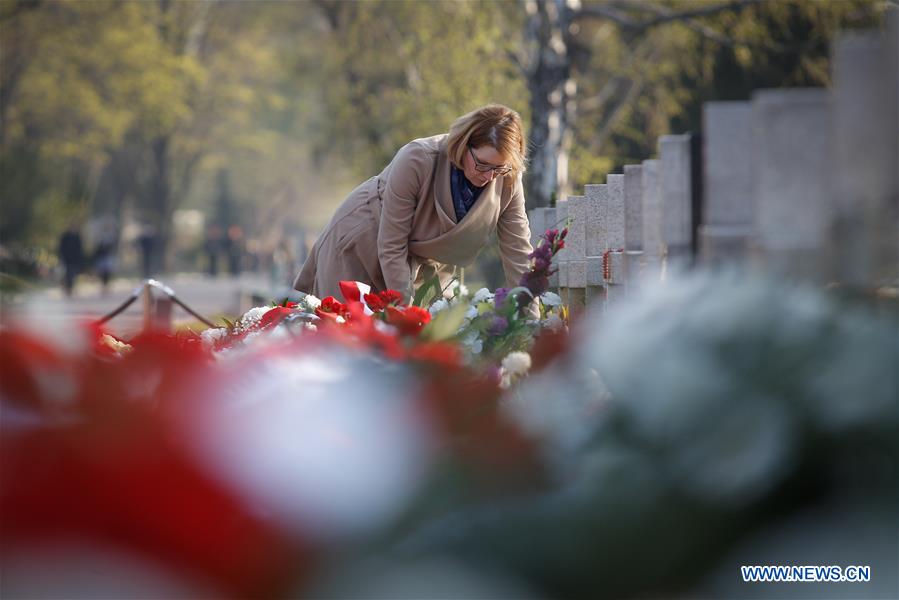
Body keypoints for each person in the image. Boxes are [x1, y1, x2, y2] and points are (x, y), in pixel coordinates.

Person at [294, 104, 535, 305]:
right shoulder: (417, 158)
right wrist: (404, 310)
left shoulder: (508, 179)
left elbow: (518, 252)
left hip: (421, 266)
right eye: (482, 164)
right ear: (463, 144)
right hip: (362, 244)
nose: (489, 176)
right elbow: (391, 243)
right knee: (349, 340)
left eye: (499, 168)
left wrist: (531, 324)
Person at [58, 224, 85, 297]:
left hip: (74, 259)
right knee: (68, 273)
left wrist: (80, 258)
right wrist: (62, 256)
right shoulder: (65, 236)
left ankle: (70, 288)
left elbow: (80, 249)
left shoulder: (77, 237)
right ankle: (68, 288)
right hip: (67, 259)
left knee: (72, 274)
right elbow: (61, 247)